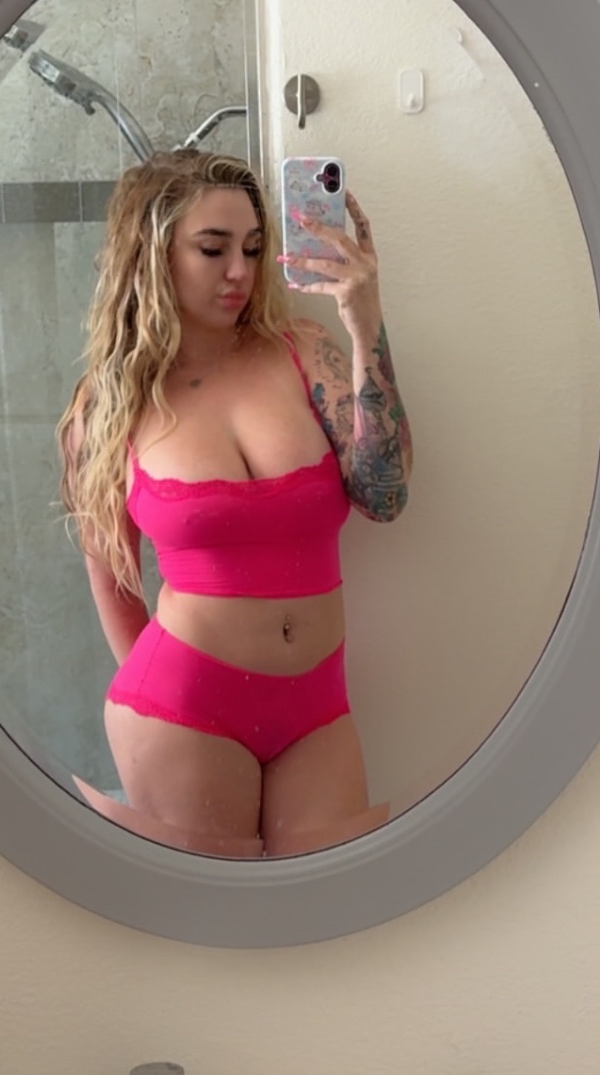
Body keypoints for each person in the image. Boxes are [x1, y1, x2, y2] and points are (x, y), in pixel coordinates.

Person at [59, 150, 411, 858]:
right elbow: (113, 579)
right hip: (184, 706)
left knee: (330, 908)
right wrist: (171, 695)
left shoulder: (303, 350)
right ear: (153, 254)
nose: (239, 272)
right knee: (211, 921)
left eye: (252, 248)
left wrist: (365, 325)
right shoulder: (108, 403)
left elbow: (386, 494)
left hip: (318, 707)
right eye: (212, 248)